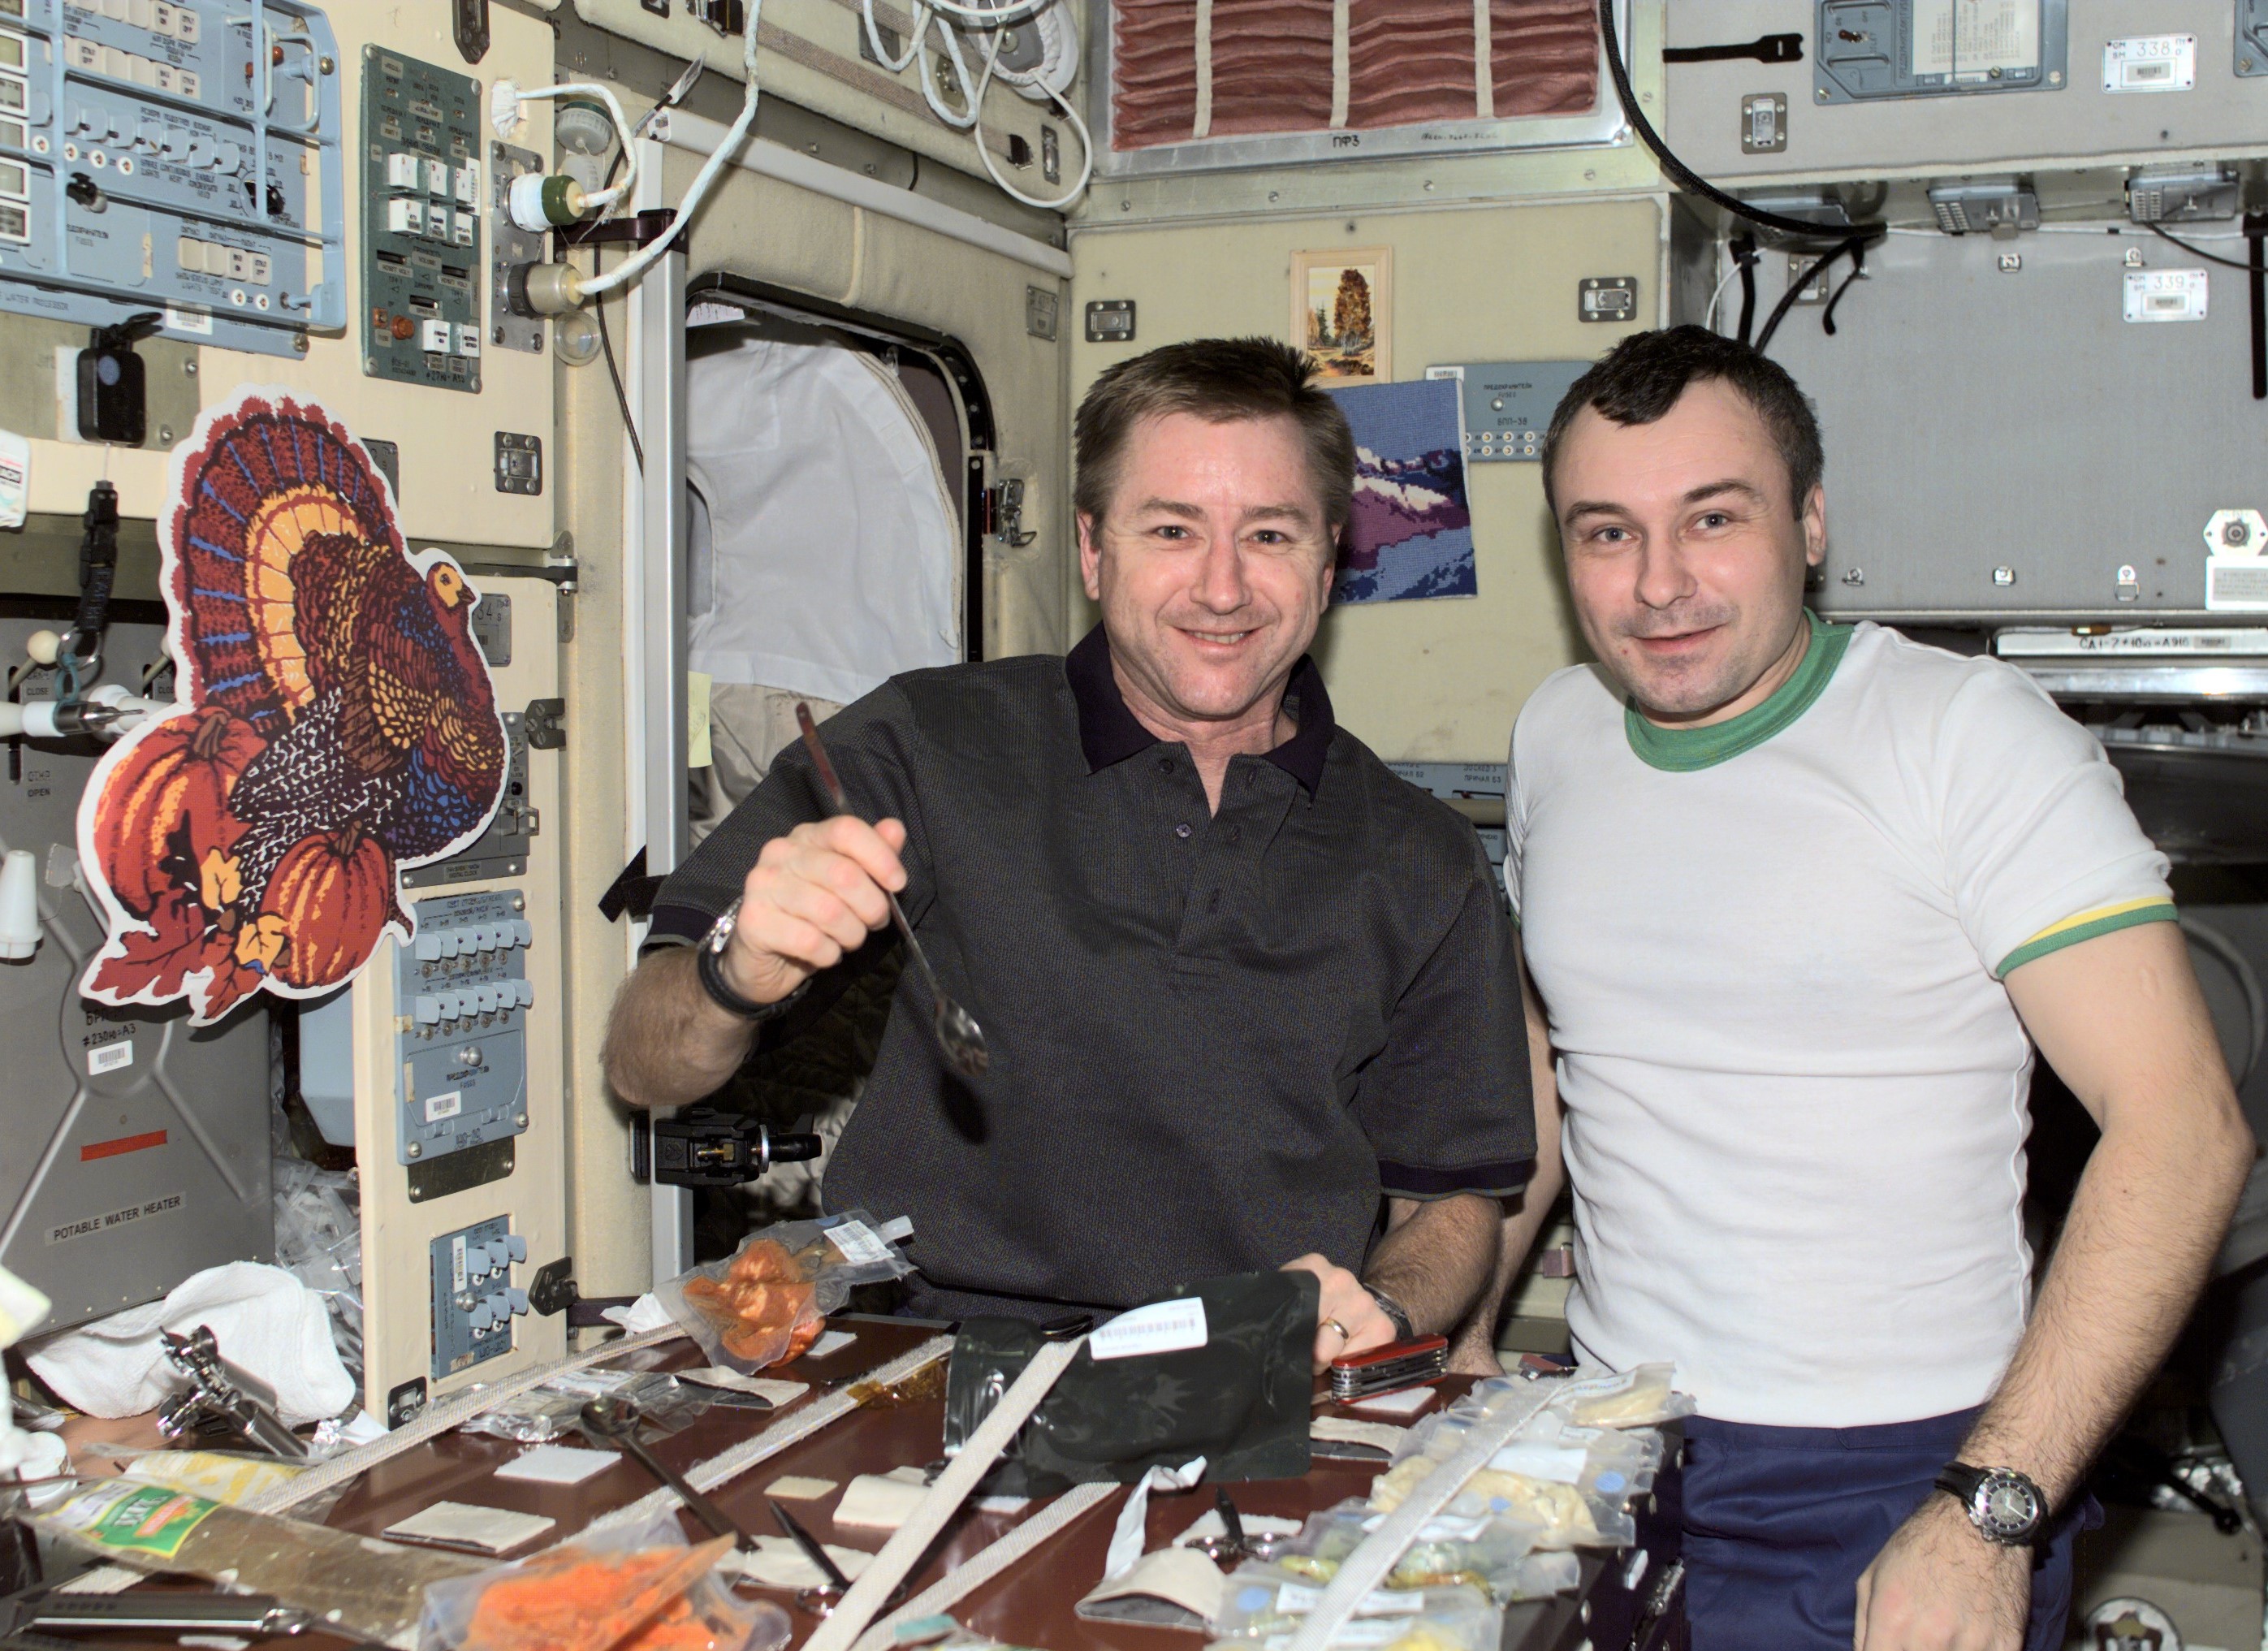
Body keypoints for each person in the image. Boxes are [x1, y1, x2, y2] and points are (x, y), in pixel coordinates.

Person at [1472, 326, 2255, 1650]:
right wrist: (1461, 1328)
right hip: (1604, 1442)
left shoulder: (1963, 736)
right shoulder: (1556, 731)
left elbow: (2182, 1127)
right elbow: (1548, 1063)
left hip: (1900, 1469)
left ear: (1810, 518)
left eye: (1710, 518)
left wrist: (1988, 1506)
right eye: (1604, 533)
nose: (1658, 582)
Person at [604, 336, 1536, 1367]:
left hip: (1264, 1370)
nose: (1221, 589)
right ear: (1094, 551)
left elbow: (1453, 1203)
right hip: (930, 1364)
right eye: (1172, 529)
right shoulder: (927, 743)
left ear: (1329, 562)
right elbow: (645, 1063)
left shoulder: (1423, 854)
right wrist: (737, 973)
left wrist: (1386, 1310)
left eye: (1269, 534)